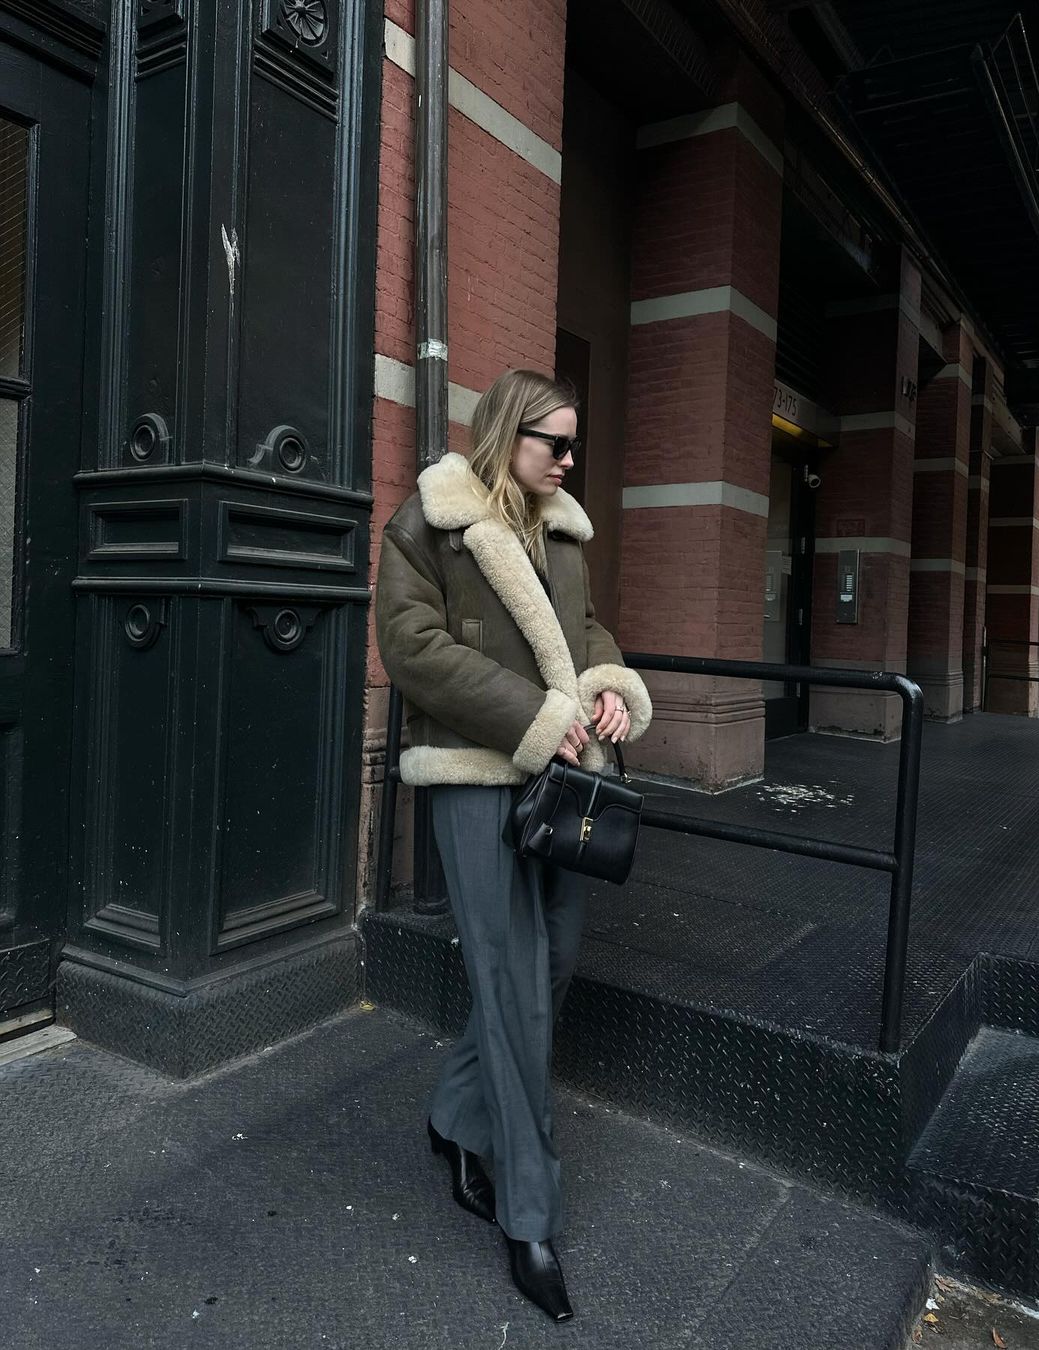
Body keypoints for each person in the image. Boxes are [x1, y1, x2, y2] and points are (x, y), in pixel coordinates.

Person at [375, 368, 652, 1321]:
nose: (570, 460)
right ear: (506, 433)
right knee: (512, 986)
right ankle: (528, 1215)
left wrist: (607, 685)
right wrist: (535, 717)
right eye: (555, 443)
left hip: (561, 783)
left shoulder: (560, 531)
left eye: (575, 444)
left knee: (554, 962)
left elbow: (583, 632)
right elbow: (412, 649)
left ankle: (456, 1117)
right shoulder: (429, 523)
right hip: (472, 774)